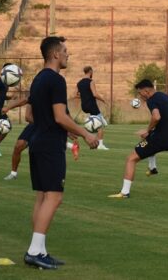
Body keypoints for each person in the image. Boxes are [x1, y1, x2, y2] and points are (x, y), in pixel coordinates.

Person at [23, 36, 98, 270]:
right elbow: (59, 116)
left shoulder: (37, 79)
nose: (68, 55)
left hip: (36, 141)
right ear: (55, 54)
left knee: (43, 196)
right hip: (49, 146)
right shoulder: (56, 80)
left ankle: (40, 250)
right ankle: (34, 251)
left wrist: (64, 131)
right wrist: (85, 133)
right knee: (54, 197)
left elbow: (31, 116)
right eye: (65, 51)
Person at [108, 79, 168, 199]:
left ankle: (124, 193)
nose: (140, 96)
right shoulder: (166, 97)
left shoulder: (151, 100)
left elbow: (156, 117)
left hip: (161, 139)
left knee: (131, 159)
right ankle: (152, 168)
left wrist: (147, 129)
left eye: (140, 93)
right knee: (148, 139)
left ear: (146, 91)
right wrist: (150, 132)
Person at [0, 95, 80, 181]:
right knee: (18, 146)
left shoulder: (57, 98)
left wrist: (72, 129)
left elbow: (66, 115)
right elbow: (28, 117)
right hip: (36, 124)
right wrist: (8, 107)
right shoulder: (36, 93)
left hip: (51, 126)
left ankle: (58, 175)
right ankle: (13, 174)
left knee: (51, 150)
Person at [76, 66, 109, 150]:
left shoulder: (79, 83)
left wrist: (84, 97)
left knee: (98, 123)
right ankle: (100, 145)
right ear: (90, 71)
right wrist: (103, 100)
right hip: (92, 105)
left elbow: (77, 95)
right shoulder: (91, 81)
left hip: (84, 106)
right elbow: (94, 94)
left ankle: (94, 143)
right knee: (100, 125)